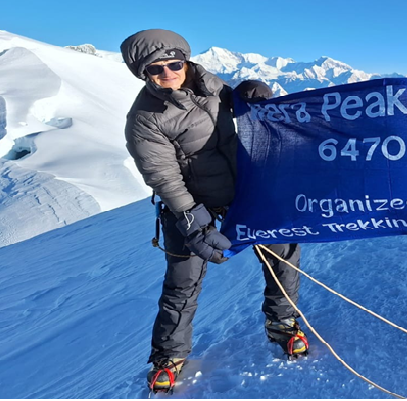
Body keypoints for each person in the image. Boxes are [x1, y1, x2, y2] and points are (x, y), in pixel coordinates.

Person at [120, 29, 307, 393]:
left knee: (281, 253)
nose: (167, 73)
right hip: (190, 201)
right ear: (142, 73)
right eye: (155, 69)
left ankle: (283, 323)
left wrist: (250, 91)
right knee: (182, 279)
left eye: (174, 64)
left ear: (185, 59)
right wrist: (192, 219)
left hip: (243, 190)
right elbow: (163, 176)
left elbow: (234, 105)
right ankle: (169, 356)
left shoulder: (209, 83)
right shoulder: (145, 118)